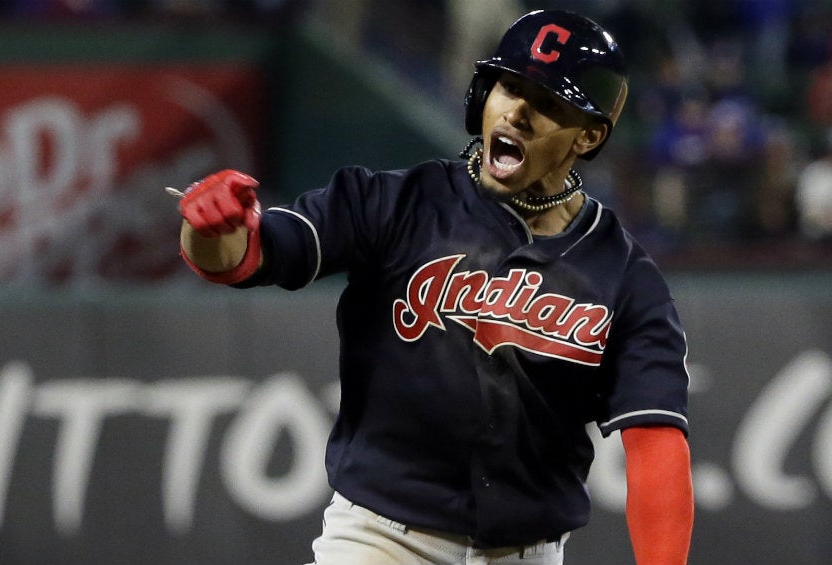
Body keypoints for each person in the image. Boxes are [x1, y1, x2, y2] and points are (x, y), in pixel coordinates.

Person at [174, 10, 693, 565]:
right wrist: (211, 230)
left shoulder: (625, 277)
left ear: (588, 135)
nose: (515, 111)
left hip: (529, 554)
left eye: (545, 103)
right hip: (379, 542)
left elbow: (656, 441)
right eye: (509, 87)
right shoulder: (396, 203)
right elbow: (253, 255)